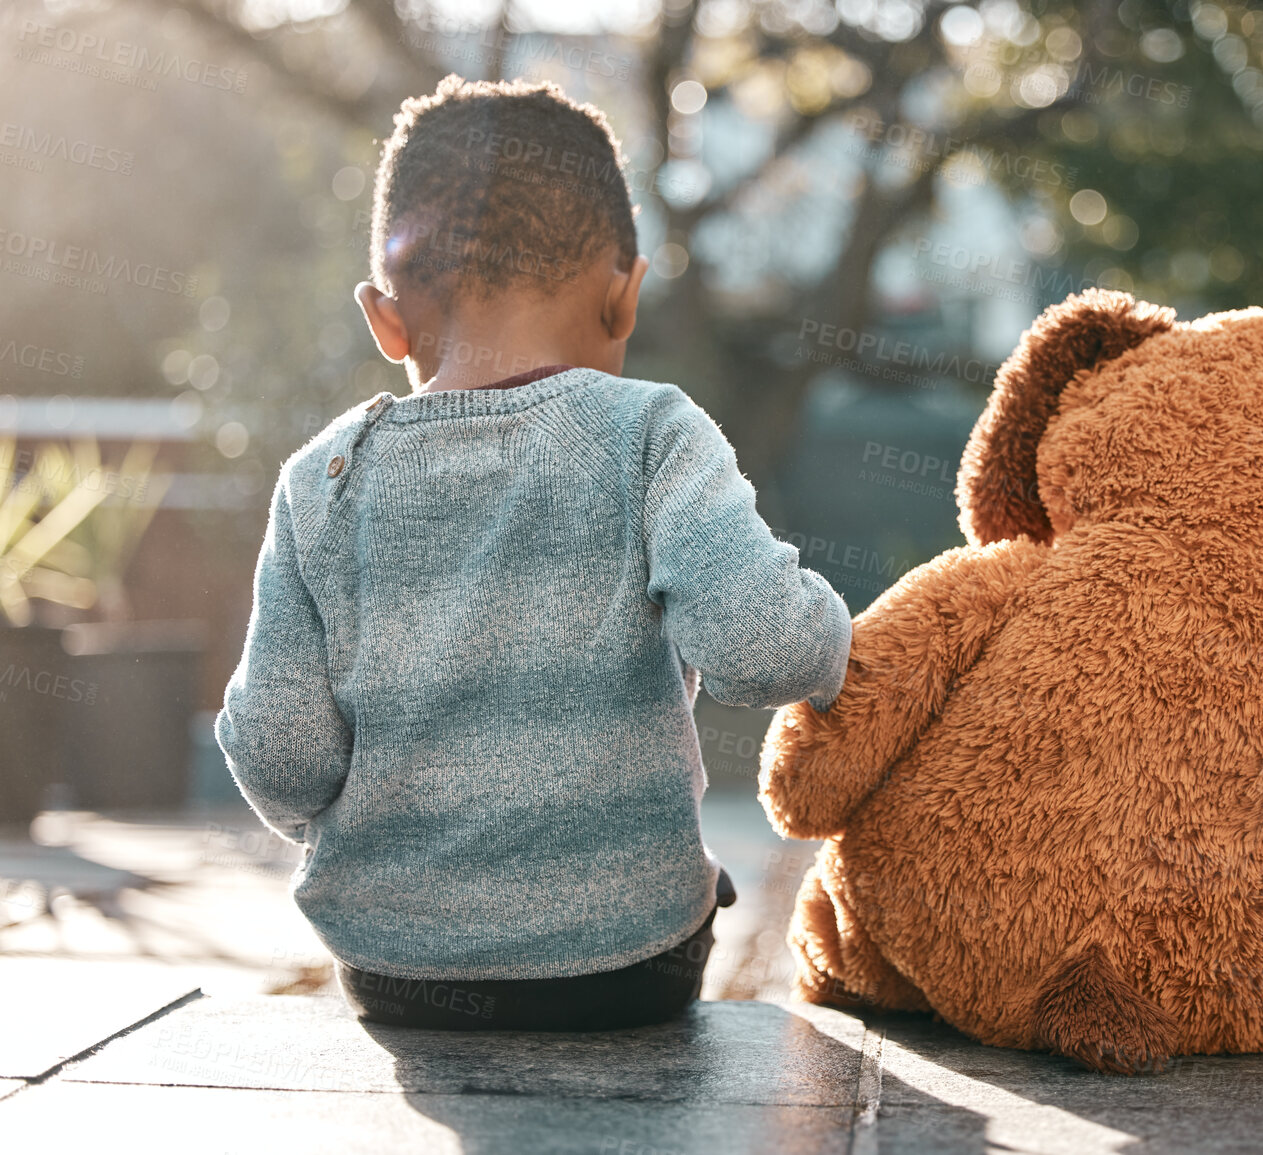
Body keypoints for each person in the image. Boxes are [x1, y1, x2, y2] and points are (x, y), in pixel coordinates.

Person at [215, 75, 851, 1031]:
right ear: (625, 294)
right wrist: (835, 629)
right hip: (626, 966)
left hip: (394, 972)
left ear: (384, 320)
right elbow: (766, 651)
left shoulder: (324, 478)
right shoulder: (650, 435)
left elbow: (279, 754)